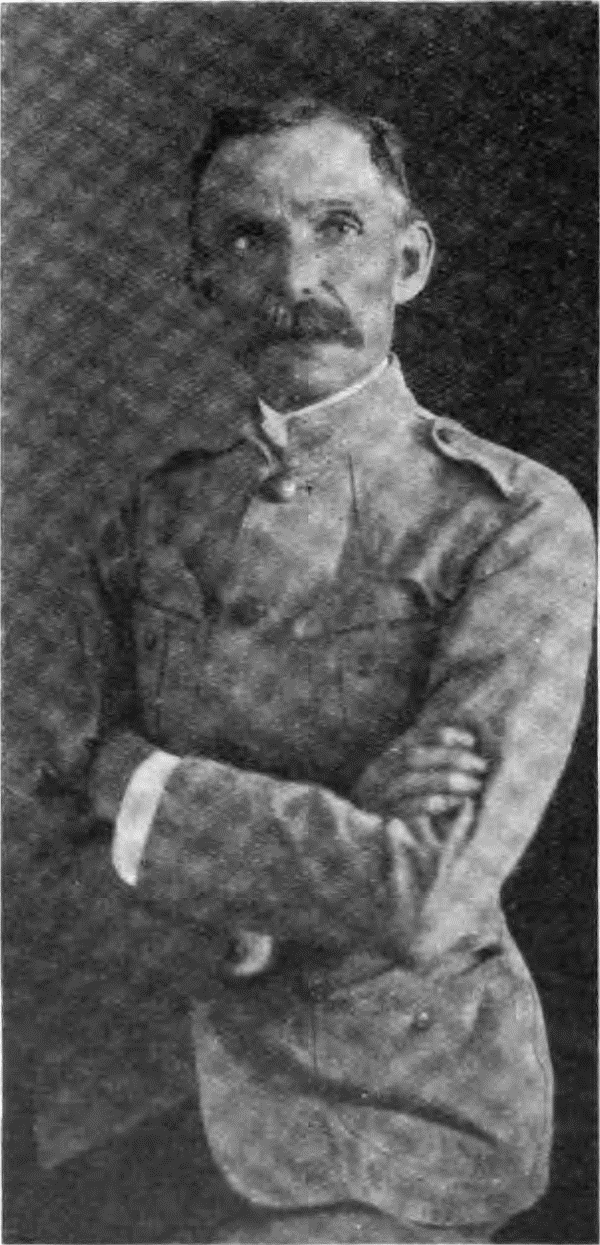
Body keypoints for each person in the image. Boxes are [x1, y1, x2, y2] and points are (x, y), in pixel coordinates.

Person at [19, 96, 593, 1243]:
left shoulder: (515, 522)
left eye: (339, 227)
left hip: (385, 1118)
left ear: (409, 260)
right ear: (202, 282)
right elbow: (27, 820)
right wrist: (321, 844)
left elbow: (424, 893)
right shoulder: (152, 517)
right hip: (137, 1080)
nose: (296, 276)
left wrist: (135, 781)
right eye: (250, 237)